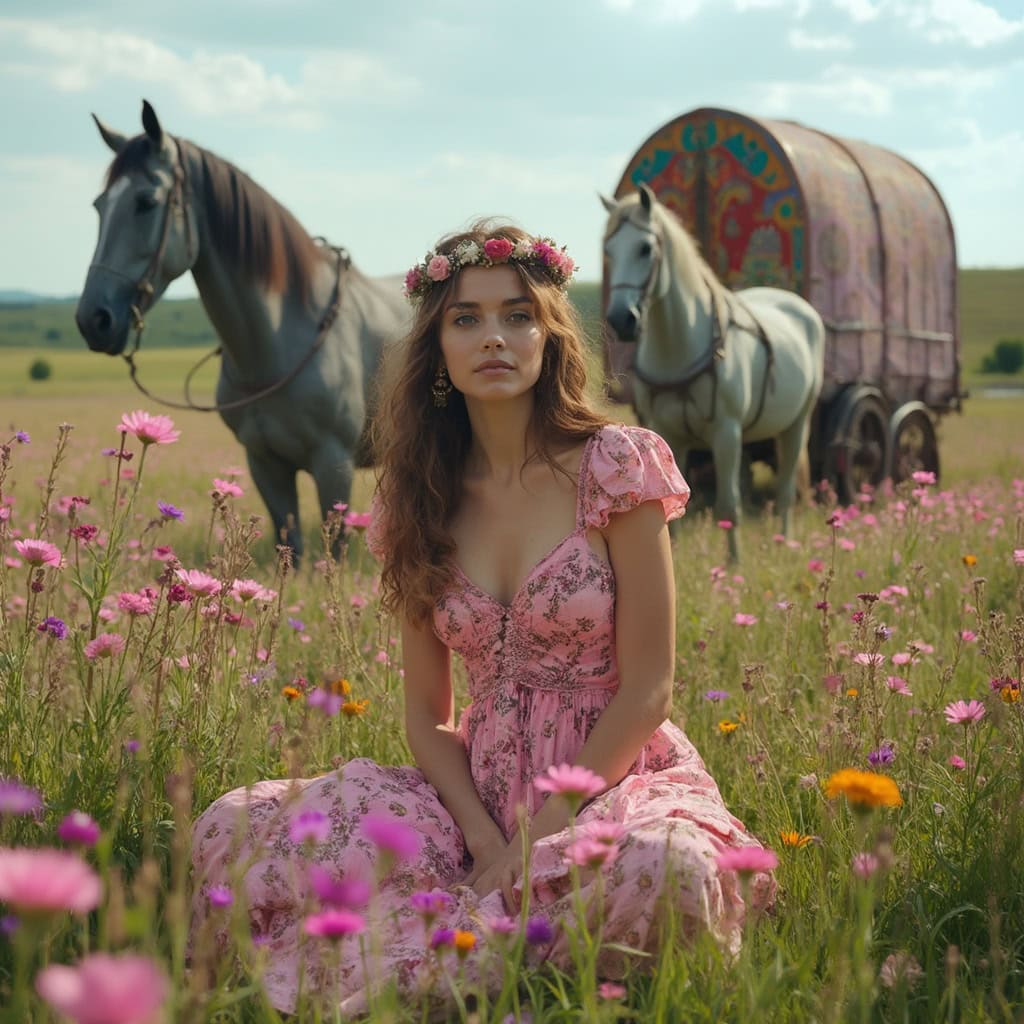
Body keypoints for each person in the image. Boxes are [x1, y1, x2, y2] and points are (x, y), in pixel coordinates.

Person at [190, 221, 773, 1015]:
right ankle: (492, 960)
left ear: (550, 335)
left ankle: (519, 971)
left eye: (517, 315)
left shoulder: (616, 464)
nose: (493, 337)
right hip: (474, 797)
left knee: (662, 870)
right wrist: (490, 841)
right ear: (436, 348)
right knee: (241, 828)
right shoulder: (415, 496)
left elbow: (650, 687)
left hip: (609, 782)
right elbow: (429, 718)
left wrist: (547, 828)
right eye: (466, 318)